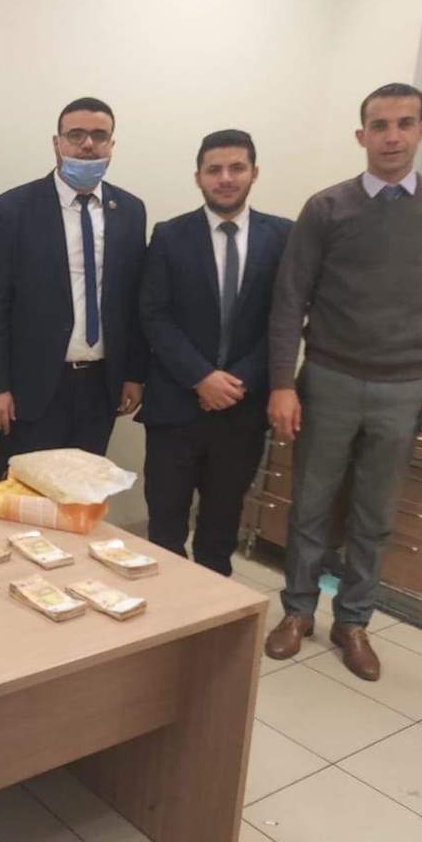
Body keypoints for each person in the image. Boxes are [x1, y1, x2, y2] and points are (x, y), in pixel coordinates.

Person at [264, 83, 422, 681]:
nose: (392, 137)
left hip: (404, 387)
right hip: (327, 379)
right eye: (379, 126)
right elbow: (289, 300)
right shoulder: (327, 207)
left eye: (404, 124)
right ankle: (298, 611)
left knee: (375, 513)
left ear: (421, 131)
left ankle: (353, 621)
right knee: (309, 503)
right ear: (361, 135)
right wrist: (283, 383)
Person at [138, 130, 293, 576]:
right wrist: (201, 378)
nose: (225, 178)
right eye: (214, 170)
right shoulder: (169, 235)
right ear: (198, 177)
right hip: (176, 407)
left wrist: (236, 382)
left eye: (236, 168)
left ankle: (214, 608)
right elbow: (153, 314)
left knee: (220, 528)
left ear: (254, 173)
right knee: (165, 526)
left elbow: (284, 319)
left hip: (242, 411)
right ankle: (167, 607)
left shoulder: (283, 236)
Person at [0, 96, 147, 475]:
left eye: (99, 136)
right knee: (25, 497)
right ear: (56, 143)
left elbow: (134, 300)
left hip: (100, 388)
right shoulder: (11, 211)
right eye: (76, 135)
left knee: (83, 494)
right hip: (30, 389)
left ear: (111, 145)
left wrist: (134, 374)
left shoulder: (130, 211)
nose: (88, 144)